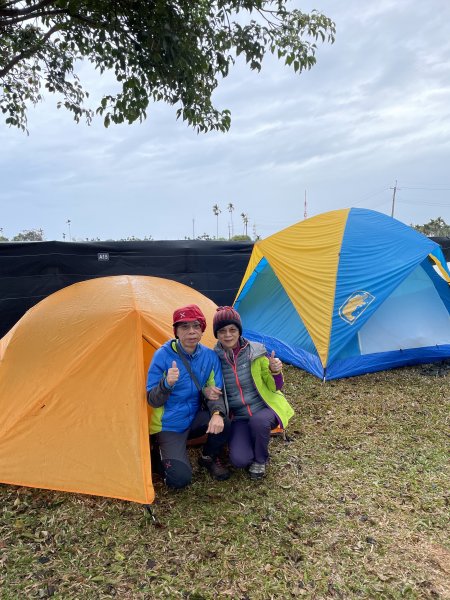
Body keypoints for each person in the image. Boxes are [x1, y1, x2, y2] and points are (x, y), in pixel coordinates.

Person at [147, 304, 231, 489]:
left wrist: (217, 413)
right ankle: (158, 451)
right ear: (176, 331)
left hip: (193, 418)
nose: (191, 331)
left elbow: (215, 391)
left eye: (196, 326)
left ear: (202, 329)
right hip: (168, 425)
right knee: (179, 480)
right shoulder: (162, 356)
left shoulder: (210, 356)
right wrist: (166, 384)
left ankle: (208, 456)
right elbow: (152, 400)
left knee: (225, 421)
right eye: (184, 327)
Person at [213, 306, 294, 480]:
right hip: (239, 417)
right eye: (222, 331)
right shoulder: (214, 358)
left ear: (239, 331)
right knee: (240, 460)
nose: (228, 335)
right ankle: (251, 441)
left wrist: (275, 371)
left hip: (264, 409)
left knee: (258, 422)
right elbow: (212, 389)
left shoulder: (255, 352)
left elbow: (276, 387)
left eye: (232, 330)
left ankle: (261, 459)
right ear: (216, 334)